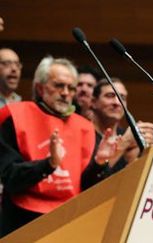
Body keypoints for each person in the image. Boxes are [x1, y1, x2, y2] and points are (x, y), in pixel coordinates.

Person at [0, 56, 121, 236]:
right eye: (59, 86)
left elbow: (87, 188)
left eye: (71, 88)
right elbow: (10, 177)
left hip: (68, 222)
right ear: (40, 88)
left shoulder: (84, 128)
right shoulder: (14, 116)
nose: (66, 93)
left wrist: (100, 163)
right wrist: (48, 164)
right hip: (22, 222)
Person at [90, 78, 153, 174]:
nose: (117, 102)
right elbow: (91, 180)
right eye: (110, 96)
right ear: (93, 102)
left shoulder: (126, 134)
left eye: (122, 98)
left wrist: (145, 151)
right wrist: (125, 142)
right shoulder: (83, 132)